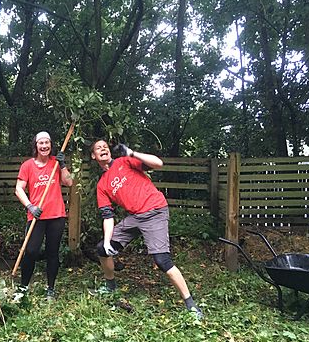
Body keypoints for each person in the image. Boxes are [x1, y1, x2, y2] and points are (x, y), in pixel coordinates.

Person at [90, 139, 203, 319]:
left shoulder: (124, 162)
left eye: (105, 146)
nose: (103, 148)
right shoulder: (102, 185)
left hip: (155, 211)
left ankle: (191, 305)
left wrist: (131, 152)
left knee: (162, 260)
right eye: (98, 148)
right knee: (101, 250)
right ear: (93, 156)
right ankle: (110, 287)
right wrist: (106, 242)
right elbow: (108, 216)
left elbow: (158, 163)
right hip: (135, 217)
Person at [15, 131, 73, 300]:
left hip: (56, 215)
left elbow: (69, 182)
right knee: (31, 251)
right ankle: (23, 287)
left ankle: (51, 289)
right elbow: (19, 189)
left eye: (47, 142)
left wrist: (62, 165)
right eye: (41, 143)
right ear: (36, 146)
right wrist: (30, 206)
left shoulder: (56, 163)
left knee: (52, 252)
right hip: (36, 216)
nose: (44, 146)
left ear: (51, 145)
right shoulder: (27, 166)